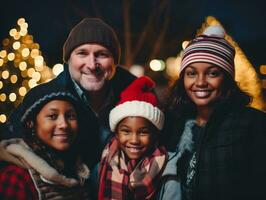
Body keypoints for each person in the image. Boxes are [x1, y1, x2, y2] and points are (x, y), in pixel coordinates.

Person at [1, 17, 136, 171]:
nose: (92, 65)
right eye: (82, 53)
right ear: (68, 60)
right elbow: (8, 143)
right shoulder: (43, 99)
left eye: (102, 54)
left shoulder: (137, 95)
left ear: (114, 62)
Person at [159, 25, 266, 200]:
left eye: (212, 73)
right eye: (191, 73)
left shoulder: (253, 123)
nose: (200, 82)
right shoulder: (174, 124)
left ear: (227, 78)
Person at [0, 85, 90, 200]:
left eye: (70, 116)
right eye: (52, 116)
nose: (64, 124)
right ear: (30, 123)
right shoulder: (15, 177)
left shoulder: (80, 170)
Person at [98, 76, 167, 200]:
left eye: (143, 132)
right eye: (126, 131)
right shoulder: (102, 166)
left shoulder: (166, 171)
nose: (134, 140)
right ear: (117, 134)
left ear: (154, 134)